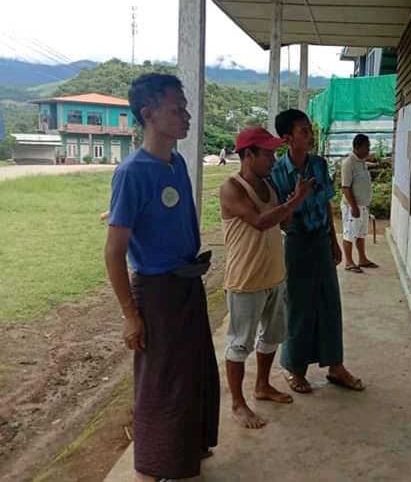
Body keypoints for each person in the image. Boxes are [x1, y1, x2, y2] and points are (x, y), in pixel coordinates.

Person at [104, 73, 220, 482]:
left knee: (193, 374)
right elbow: (114, 252)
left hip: (187, 284)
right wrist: (130, 314)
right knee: (160, 384)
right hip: (157, 293)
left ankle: (185, 454)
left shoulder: (177, 163)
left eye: (185, 108)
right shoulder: (133, 172)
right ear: (149, 113)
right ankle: (151, 470)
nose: (186, 116)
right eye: (177, 108)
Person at [220, 126, 314, 429]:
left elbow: (281, 223)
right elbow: (260, 222)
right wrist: (293, 202)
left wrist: (289, 206)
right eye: (268, 154)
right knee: (239, 344)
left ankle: (262, 385)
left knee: (272, 336)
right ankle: (238, 404)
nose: (274, 160)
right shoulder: (232, 188)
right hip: (245, 280)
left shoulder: (269, 185)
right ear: (249, 155)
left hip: (274, 275)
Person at [271, 109, 365, 394]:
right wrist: (296, 200)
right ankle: (294, 368)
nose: (310, 136)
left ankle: (335, 366)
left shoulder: (318, 165)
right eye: (303, 131)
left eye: (310, 130)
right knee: (298, 306)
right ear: (287, 138)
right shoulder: (277, 172)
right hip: (296, 243)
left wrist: (333, 241)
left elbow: (325, 203)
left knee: (329, 302)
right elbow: (282, 221)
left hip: (322, 240)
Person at [340, 133, 378, 272]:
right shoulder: (348, 163)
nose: (368, 150)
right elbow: (346, 187)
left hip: (363, 206)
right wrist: (353, 207)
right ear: (357, 147)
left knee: (361, 234)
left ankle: (362, 259)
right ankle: (349, 262)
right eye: (366, 147)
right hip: (352, 206)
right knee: (349, 234)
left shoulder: (362, 162)